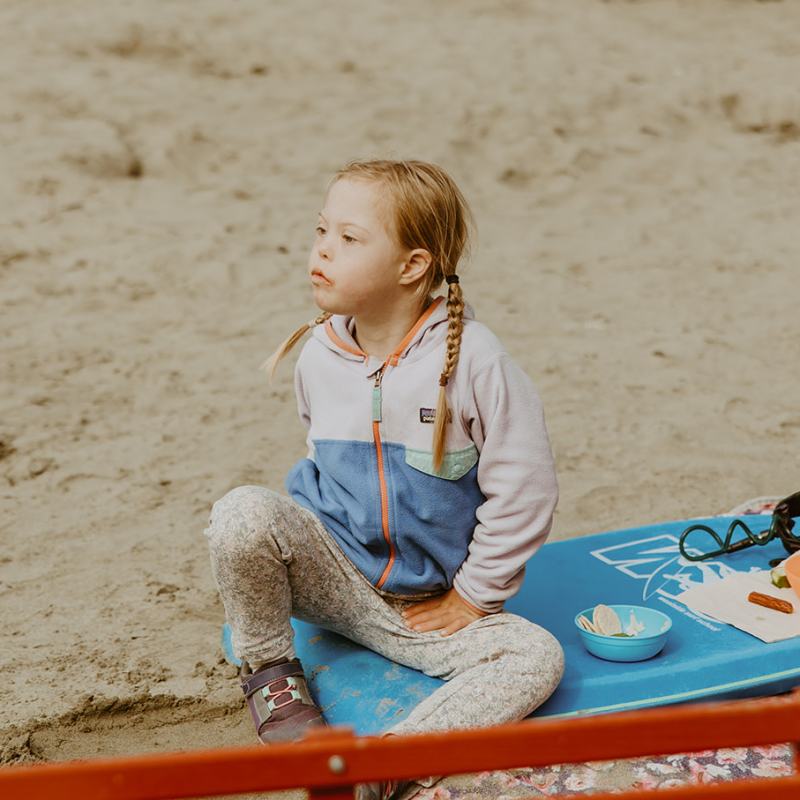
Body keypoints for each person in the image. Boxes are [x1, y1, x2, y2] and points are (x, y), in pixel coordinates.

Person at [204, 159, 564, 800]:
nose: (321, 249)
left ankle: (382, 771)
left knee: (537, 657)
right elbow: (321, 461)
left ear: (411, 266)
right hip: (335, 581)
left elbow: (526, 486)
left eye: (349, 238)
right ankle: (270, 674)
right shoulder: (317, 355)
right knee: (241, 512)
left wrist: (476, 596)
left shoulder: (476, 361)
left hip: (434, 607)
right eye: (321, 231)